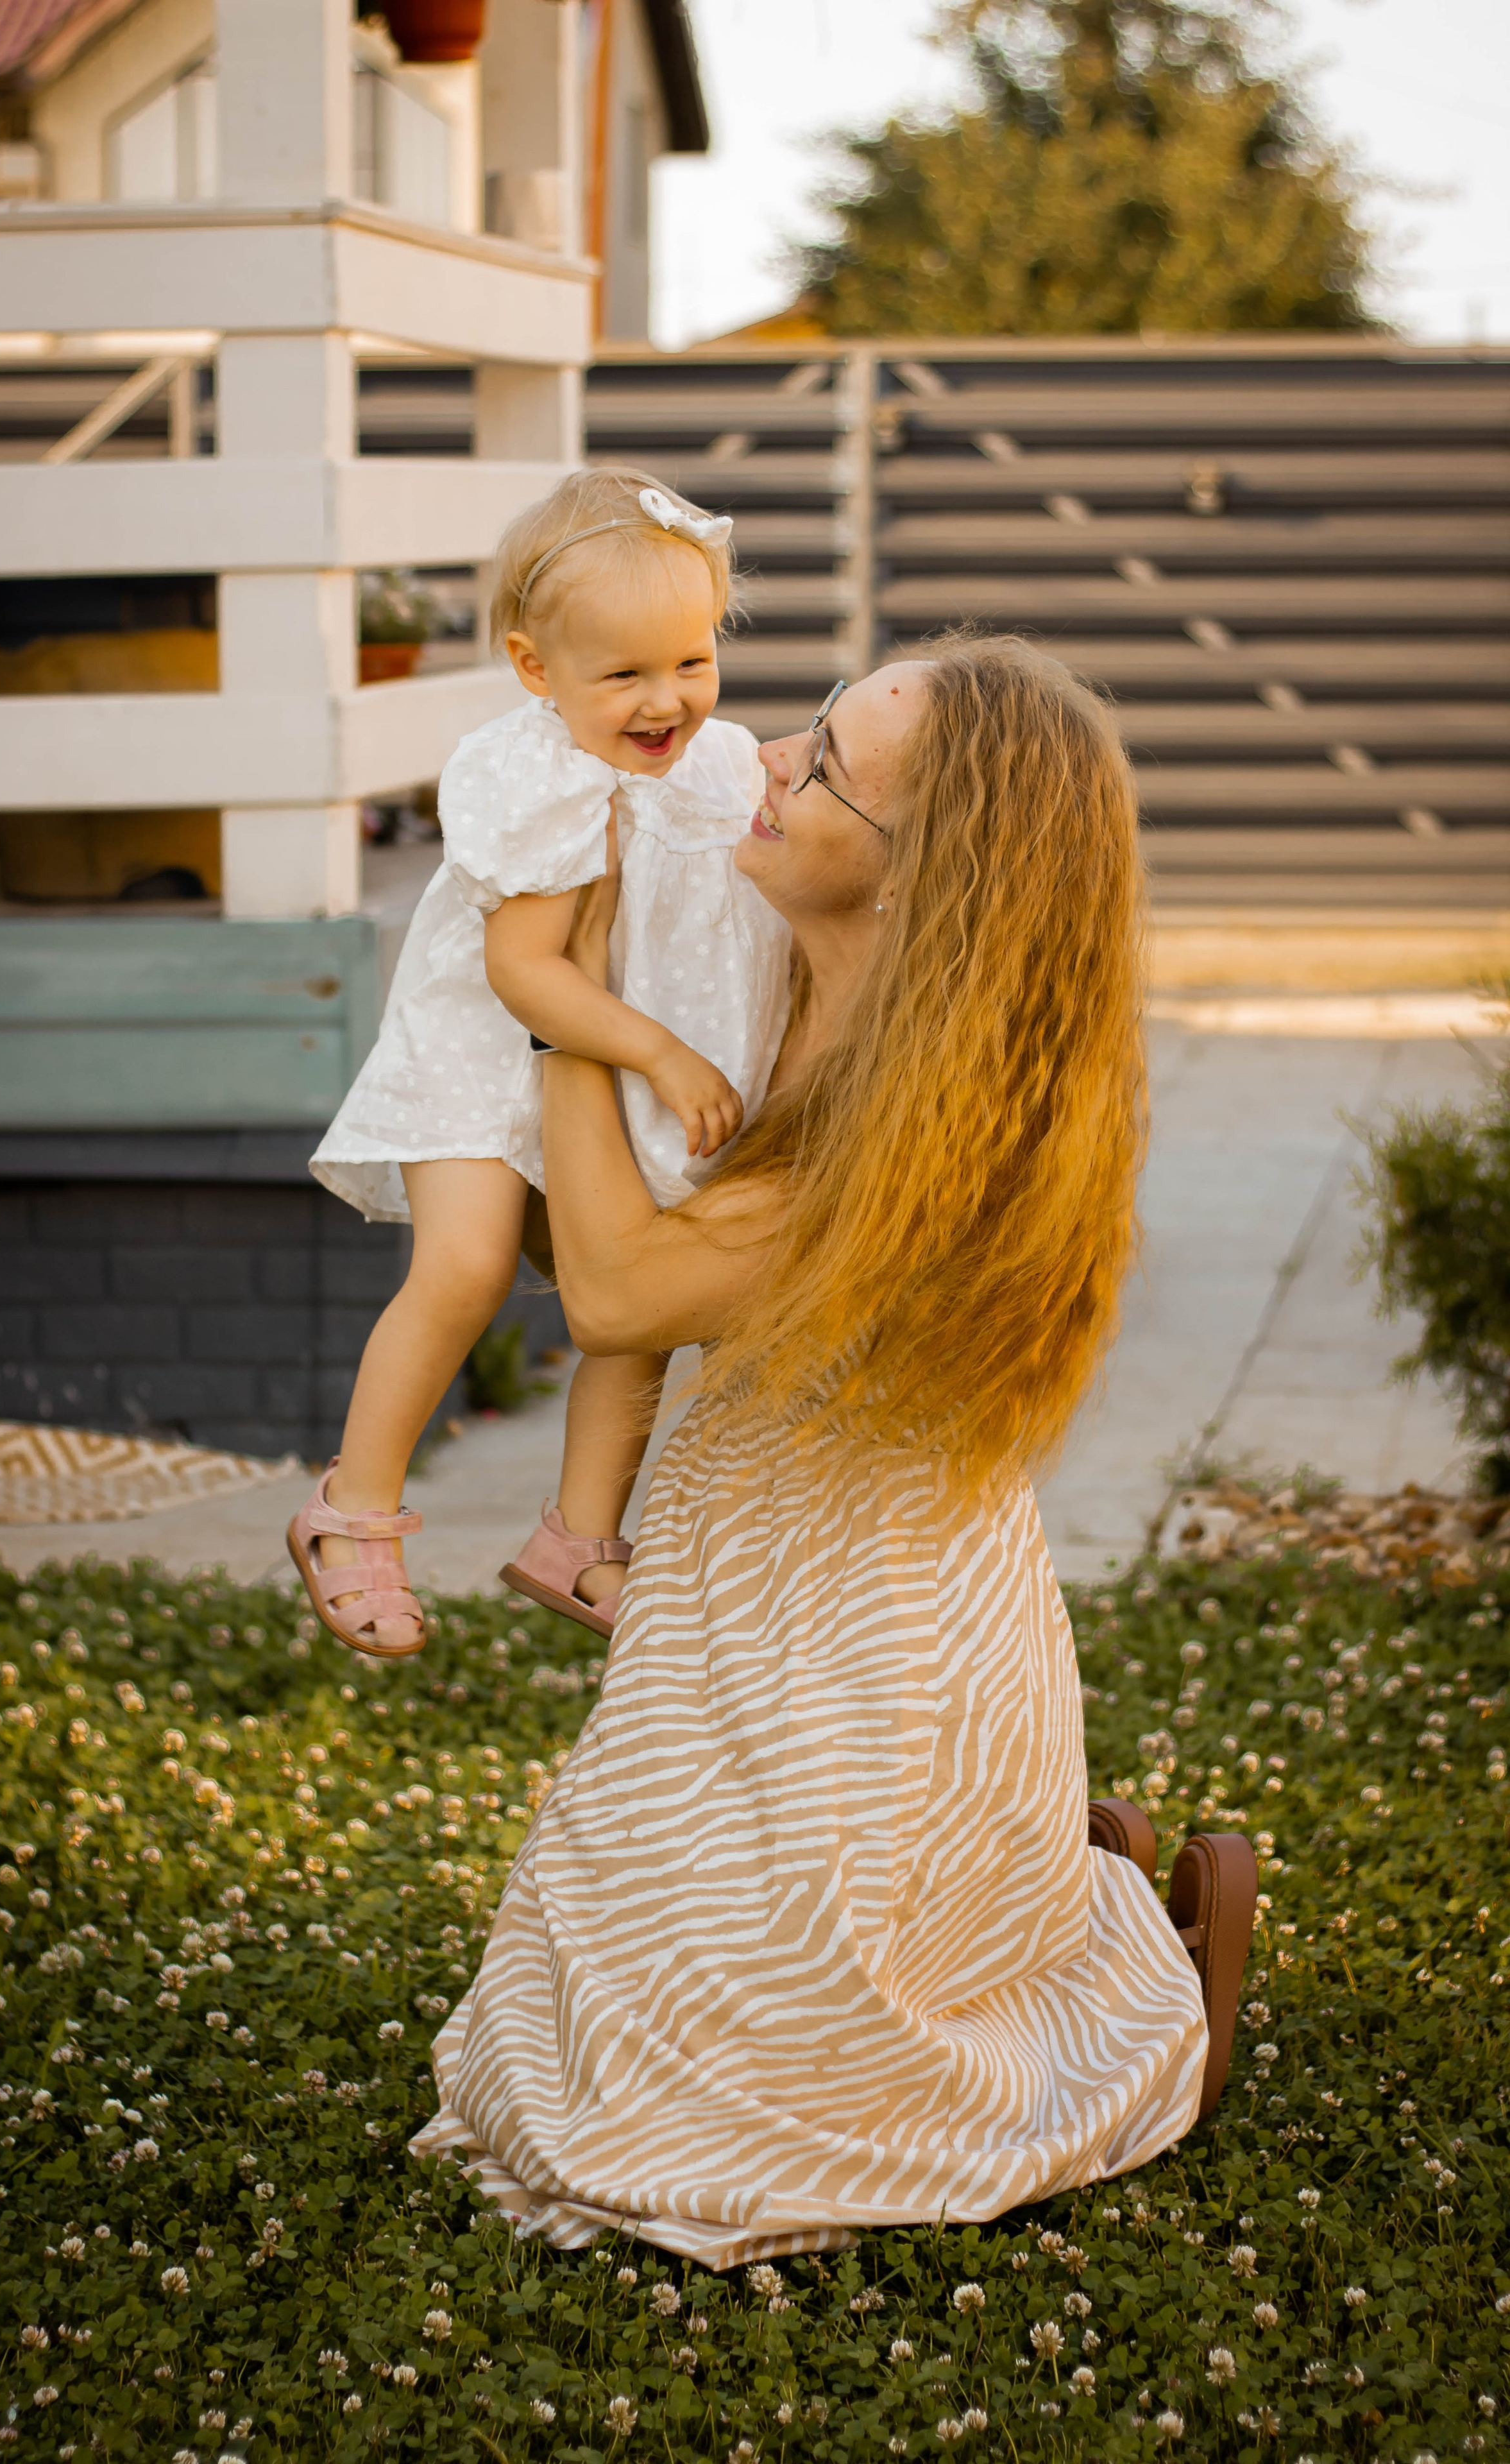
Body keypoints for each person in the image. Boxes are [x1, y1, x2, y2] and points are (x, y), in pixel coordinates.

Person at [412, 636, 1257, 2265]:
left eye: (823, 764)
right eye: (805, 727)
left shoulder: (942, 1109)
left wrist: (557, 1014)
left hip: (876, 1637)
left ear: (922, 866)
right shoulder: (773, 963)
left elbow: (616, 1289)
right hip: (733, 1577)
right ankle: (1049, 1890)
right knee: (575, 2059)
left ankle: (1112, 1945)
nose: (768, 763)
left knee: (718, 2113)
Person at [294, 470, 791, 1657]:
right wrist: (665, 1055)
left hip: (618, 1070)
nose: (665, 699)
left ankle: (579, 1538)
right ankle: (351, 1508)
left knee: (637, 1306)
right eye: (623, 675)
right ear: (535, 669)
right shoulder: (528, 773)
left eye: (691, 661)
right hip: (493, 1057)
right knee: (461, 1268)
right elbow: (528, 973)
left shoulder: (725, 767)